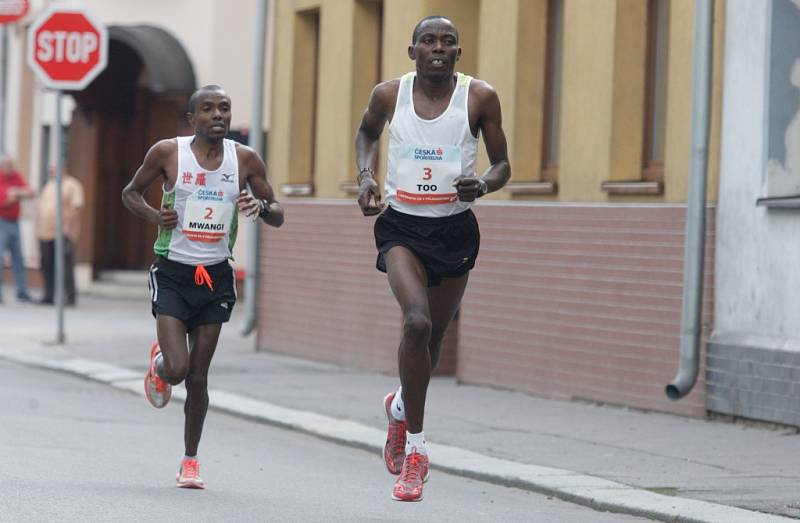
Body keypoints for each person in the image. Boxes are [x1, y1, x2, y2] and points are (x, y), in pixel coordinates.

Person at [355, 15, 511, 502]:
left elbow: (504, 164)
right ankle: (416, 453)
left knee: (434, 341)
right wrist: (365, 176)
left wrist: (483, 183)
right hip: (401, 224)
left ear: (458, 54)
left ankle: (400, 406)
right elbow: (366, 134)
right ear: (413, 51)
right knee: (416, 324)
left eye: (447, 42)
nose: (437, 48)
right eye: (428, 41)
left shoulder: (479, 98)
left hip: (454, 230)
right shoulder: (388, 95)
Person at [121, 85, 284, 489]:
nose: (218, 116)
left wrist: (260, 208)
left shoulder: (244, 159)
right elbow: (130, 193)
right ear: (192, 119)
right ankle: (159, 366)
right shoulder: (167, 152)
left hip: (215, 277)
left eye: (224, 109)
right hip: (174, 273)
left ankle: (190, 461)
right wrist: (154, 216)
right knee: (177, 369)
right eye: (208, 109)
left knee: (198, 375)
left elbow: (278, 212)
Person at [36, 166, 85, 305]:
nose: (51, 172)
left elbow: (77, 207)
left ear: (63, 169)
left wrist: (68, 227)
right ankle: (48, 295)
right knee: (46, 265)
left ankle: (70, 296)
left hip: (62, 232)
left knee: (65, 265)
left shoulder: (72, 185)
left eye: (54, 169)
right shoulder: (49, 185)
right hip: (45, 232)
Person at [0, 155, 34, 303]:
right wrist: (15, 195)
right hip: (2, 222)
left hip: (15, 222)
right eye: (7, 165)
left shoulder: (16, 176)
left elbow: (30, 192)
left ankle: (22, 291)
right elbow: (5, 202)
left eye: (11, 164)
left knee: (18, 258)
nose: (10, 167)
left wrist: (17, 193)